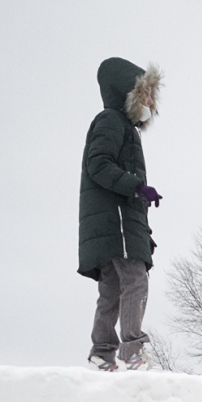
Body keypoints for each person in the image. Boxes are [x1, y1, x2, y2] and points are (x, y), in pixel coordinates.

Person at [78, 57, 162, 372]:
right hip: (115, 224)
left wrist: (145, 233)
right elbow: (98, 164)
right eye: (145, 94)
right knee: (135, 280)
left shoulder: (121, 126)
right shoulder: (112, 120)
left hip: (113, 225)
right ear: (127, 94)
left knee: (112, 288)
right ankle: (133, 351)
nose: (151, 103)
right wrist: (137, 187)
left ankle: (101, 353)